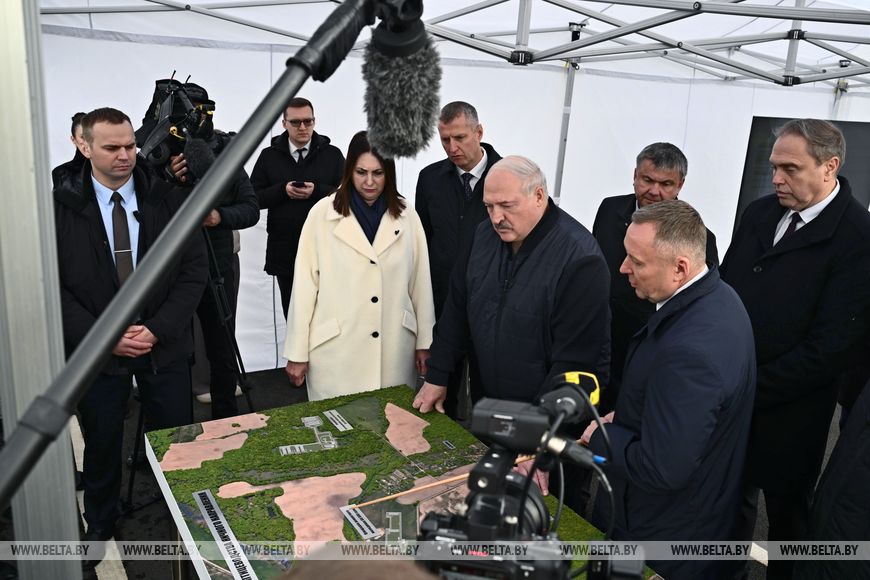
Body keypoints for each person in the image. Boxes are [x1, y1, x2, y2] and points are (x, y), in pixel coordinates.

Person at [719, 118, 870, 579]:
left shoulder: (858, 237)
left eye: (790, 169)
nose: (776, 179)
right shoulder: (760, 213)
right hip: (731, 399)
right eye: (773, 167)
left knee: (788, 526)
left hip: (793, 415)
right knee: (727, 506)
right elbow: (726, 289)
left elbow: (831, 349)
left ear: (830, 167)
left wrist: (749, 385)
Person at [53, 108, 206, 546]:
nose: (125, 155)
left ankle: (187, 522)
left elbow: (194, 270)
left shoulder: (167, 198)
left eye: (131, 146)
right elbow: (52, 285)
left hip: (164, 345)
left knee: (177, 441)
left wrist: (157, 328)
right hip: (97, 353)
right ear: (84, 147)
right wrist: (104, 337)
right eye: (112, 148)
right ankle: (100, 523)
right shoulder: (59, 207)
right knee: (102, 441)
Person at [583, 200, 755, 580]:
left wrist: (602, 436)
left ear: (680, 268)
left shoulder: (691, 351)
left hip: (658, 536)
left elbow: (663, 468)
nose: (623, 268)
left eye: (637, 261)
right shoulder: (719, 298)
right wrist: (635, 415)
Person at [413, 155, 610, 411]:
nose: (496, 218)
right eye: (489, 206)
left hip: (545, 415)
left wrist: (537, 421)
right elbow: (456, 311)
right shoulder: (482, 236)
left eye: (507, 205)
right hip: (486, 403)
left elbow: (576, 360)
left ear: (538, 196)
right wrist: (437, 375)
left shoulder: (580, 258)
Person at [283, 131, 435, 401]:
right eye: (361, 172)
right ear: (349, 170)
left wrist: (425, 342)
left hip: (393, 351)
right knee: (339, 424)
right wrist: (297, 353)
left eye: (378, 173)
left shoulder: (408, 216)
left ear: (389, 173)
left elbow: (420, 284)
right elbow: (304, 286)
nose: (369, 182)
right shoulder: (321, 215)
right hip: (336, 353)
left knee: (391, 422)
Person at [592, 142, 718, 412]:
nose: (654, 191)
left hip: (649, 344)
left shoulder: (699, 239)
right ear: (635, 175)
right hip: (602, 335)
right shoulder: (609, 210)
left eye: (666, 184)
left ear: (680, 185)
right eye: (647, 180)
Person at [160, 82, 260, 419]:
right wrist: (166, 178)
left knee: (221, 345)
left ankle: (226, 419)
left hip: (218, 261)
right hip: (171, 266)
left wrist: (218, 217)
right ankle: (175, 425)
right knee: (172, 346)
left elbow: (251, 208)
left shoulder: (225, 152)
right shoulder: (157, 154)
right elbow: (142, 210)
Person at [414, 101, 502, 416]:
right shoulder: (430, 179)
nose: (452, 147)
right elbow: (423, 240)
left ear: (479, 132)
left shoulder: (507, 177)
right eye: (445, 139)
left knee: (489, 391)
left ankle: (486, 443)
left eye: (460, 138)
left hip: (491, 303)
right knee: (441, 389)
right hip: (443, 302)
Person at [250, 97, 345, 317]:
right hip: (285, 250)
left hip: (325, 249)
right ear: (284, 123)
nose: (303, 127)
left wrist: (317, 191)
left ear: (314, 121)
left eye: (308, 121)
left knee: (327, 317)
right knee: (293, 315)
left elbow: (348, 197)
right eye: (295, 122)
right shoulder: (269, 156)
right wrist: (282, 191)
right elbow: (253, 198)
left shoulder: (332, 155)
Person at [51, 111, 87, 188]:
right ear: (73, 140)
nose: (88, 140)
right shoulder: (62, 173)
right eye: (83, 137)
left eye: (91, 135)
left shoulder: (108, 167)